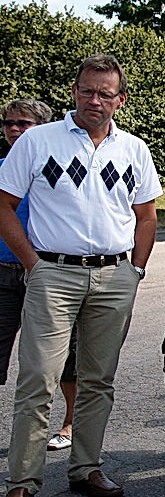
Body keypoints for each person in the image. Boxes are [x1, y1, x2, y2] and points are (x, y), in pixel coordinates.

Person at [0, 55, 161, 497]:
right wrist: (33, 263)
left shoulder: (133, 149)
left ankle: (86, 467)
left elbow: (147, 215)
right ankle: (21, 484)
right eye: (88, 90)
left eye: (106, 93)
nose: (96, 100)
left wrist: (137, 270)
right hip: (54, 273)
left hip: (114, 276)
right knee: (38, 380)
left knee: (98, 379)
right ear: (74, 92)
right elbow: (5, 205)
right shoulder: (37, 140)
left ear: (120, 100)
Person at [0, 100, 78, 452]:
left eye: (24, 124)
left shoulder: (56, 167)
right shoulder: (2, 169)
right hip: (4, 274)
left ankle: (70, 423)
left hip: (50, 274)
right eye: (9, 123)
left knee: (64, 358)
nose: (15, 129)